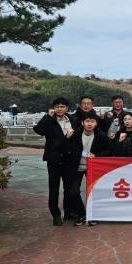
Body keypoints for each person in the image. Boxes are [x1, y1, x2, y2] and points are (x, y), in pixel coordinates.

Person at [33, 97, 76, 226]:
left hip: (68, 159)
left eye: (62, 106)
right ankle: (56, 215)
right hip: (54, 159)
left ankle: (68, 212)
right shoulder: (49, 120)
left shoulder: (73, 120)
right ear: (53, 108)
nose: (60, 109)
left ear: (67, 108)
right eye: (57, 106)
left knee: (69, 188)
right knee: (54, 189)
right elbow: (38, 130)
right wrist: (47, 116)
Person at [69, 115, 111, 226]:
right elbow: (66, 148)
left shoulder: (101, 135)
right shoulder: (75, 135)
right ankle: (82, 214)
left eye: (92, 121)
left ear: (96, 123)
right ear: (82, 123)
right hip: (77, 167)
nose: (89, 124)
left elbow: (109, 150)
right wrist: (66, 138)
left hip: (93, 167)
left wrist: (97, 155)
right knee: (73, 192)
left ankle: (93, 215)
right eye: (87, 121)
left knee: (94, 192)